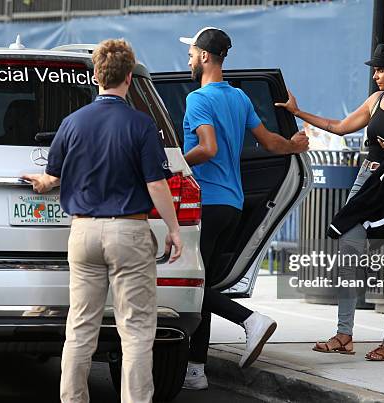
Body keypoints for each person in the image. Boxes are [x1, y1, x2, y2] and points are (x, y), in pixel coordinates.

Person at [22, 39, 182, 403]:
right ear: (129, 77)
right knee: (137, 330)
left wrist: (43, 182)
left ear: (96, 76)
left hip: (83, 233)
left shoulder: (72, 123)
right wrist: (173, 230)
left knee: (80, 327)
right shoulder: (142, 125)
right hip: (129, 232)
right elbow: (156, 184)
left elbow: (55, 174)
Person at [276, 43, 384, 361]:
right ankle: (344, 335)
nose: (376, 76)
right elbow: (339, 127)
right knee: (349, 254)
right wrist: (298, 113)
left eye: (380, 70)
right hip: (365, 185)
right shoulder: (375, 101)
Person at [178, 27, 309, 389]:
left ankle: (250, 320)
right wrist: (295, 145)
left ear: (205, 56)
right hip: (233, 204)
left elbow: (208, 148)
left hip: (207, 201)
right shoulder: (240, 98)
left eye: (191, 53)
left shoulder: (198, 99)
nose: (188, 59)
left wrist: (172, 164)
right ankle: (195, 370)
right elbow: (270, 143)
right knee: (203, 283)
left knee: (191, 284)